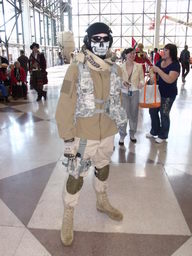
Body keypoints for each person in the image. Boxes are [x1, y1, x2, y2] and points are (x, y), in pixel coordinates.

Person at [55, 22, 127, 246]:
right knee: (76, 175)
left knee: (103, 167)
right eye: (96, 38)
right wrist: (67, 136)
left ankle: (102, 200)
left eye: (105, 38)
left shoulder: (114, 67)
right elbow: (65, 102)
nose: (101, 42)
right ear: (88, 40)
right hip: (84, 134)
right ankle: (68, 213)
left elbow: (117, 99)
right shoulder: (77, 67)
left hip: (107, 131)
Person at [146, 43, 180, 144]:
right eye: (163, 50)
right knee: (152, 111)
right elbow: (152, 70)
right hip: (156, 92)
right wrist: (152, 74)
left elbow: (169, 79)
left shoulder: (175, 65)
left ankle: (163, 135)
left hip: (168, 94)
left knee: (164, 114)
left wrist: (159, 71)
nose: (163, 52)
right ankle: (154, 131)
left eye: (166, 50)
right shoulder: (160, 61)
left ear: (171, 52)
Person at [119, 47, 144, 144]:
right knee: (124, 114)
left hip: (135, 92)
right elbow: (118, 80)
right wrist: (122, 83)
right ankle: (122, 135)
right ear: (125, 55)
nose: (132, 55)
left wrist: (141, 83)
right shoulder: (120, 67)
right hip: (124, 93)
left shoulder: (138, 66)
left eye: (134, 54)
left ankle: (132, 133)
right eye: (130, 53)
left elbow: (142, 78)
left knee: (134, 114)